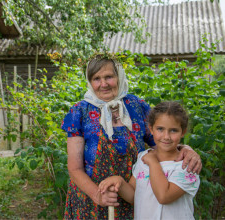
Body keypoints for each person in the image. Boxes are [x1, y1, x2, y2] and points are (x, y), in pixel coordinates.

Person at [61, 55, 202, 219]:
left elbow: (162, 142)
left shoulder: (136, 106)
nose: (103, 84)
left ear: (119, 76)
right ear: (90, 81)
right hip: (90, 202)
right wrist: (97, 195)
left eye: (109, 77)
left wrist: (186, 150)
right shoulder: (79, 112)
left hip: (134, 198)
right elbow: (74, 168)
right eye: (96, 78)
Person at [99, 101, 200, 220]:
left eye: (173, 130)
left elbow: (164, 197)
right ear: (151, 129)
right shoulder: (144, 158)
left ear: (183, 132)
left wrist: (153, 163)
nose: (166, 136)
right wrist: (119, 182)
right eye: (160, 129)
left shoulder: (187, 166)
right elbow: (134, 196)